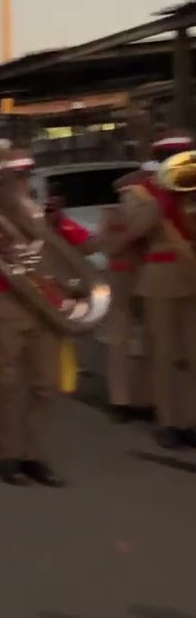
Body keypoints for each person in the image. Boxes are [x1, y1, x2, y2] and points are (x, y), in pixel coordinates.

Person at [0, 143, 94, 485]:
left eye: (26, 173)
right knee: (7, 382)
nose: (22, 181)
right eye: (15, 175)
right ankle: (7, 456)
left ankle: (34, 456)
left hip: (47, 301)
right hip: (5, 303)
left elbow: (86, 246)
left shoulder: (44, 213)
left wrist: (59, 224)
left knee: (46, 385)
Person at [118, 131, 196, 449]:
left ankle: (191, 421)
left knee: (193, 355)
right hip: (160, 277)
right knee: (164, 354)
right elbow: (135, 230)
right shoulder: (139, 192)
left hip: (192, 275)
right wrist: (162, 201)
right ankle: (168, 422)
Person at [97, 162, 155, 423]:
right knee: (126, 340)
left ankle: (138, 398)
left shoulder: (155, 209)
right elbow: (109, 245)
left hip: (145, 277)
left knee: (145, 340)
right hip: (128, 278)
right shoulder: (117, 213)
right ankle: (125, 399)